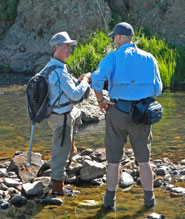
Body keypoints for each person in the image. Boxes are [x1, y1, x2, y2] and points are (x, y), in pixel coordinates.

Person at [90, 22, 163, 209]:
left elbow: (96, 81)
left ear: (120, 37)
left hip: (117, 112)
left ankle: (109, 203)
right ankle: (149, 202)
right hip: (142, 115)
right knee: (145, 161)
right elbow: (158, 89)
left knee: (113, 161)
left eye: (114, 37)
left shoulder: (112, 57)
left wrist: (100, 101)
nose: (114, 41)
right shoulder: (149, 58)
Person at [46, 31, 91, 196]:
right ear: (57, 47)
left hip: (59, 113)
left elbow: (66, 91)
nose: (70, 49)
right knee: (60, 153)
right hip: (60, 117)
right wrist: (85, 81)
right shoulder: (58, 70)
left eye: (70, 46)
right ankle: (57, 190)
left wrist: (79, 82)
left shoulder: (54, 66)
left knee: (65, 147)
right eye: (67, 46)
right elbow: (76, 95)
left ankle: (68, 160)